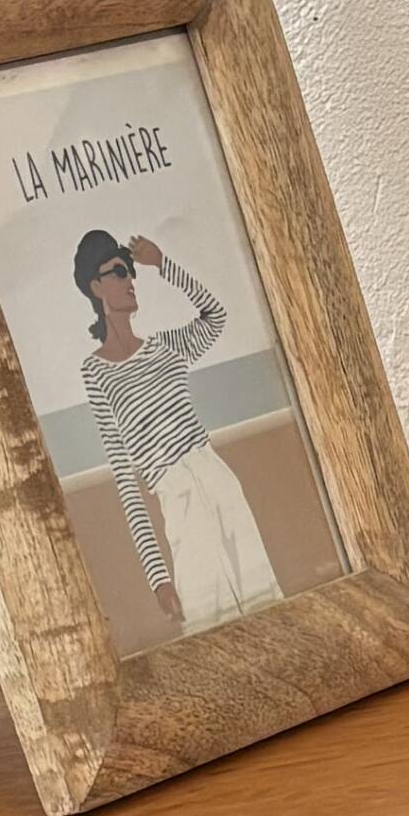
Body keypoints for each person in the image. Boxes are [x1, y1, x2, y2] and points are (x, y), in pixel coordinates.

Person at [71, 229, 287, 635]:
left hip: (216, 477)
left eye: (130, 271)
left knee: (264, 603)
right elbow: (125, 479)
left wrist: (163, 264)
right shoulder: (96, 373)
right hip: (175, 497)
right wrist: (158, 577)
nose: (129, 280)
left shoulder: (166, 347)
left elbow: (215, 316)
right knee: (208, 624)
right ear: (95, 286)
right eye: (118, 272)